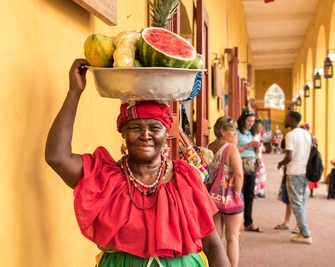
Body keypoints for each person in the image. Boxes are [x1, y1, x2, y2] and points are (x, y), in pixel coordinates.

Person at [44, 59, 231, 267]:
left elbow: (213, 247)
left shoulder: (185, 178)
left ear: (166, 133)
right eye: (135, 128)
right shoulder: (104, 178)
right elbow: (57, 157)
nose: (145, 135)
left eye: (154, 127)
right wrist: (74, 92)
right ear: (123, 132)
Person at [207, 116, 244, 267]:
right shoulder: (230, 149)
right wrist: (237, 193)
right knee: (233, 238)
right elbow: (239, 173)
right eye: (232, 131)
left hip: (212, 197)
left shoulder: (210, 147)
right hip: (229, 197)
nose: (235, 134)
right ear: (223, 131)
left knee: (217, 238)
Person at [277, 111, 312, 244]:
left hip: (294, 172)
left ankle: (305, 234)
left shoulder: (290, 135)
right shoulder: (307, 134)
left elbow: (289, 156)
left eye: (286, 117)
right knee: (301, 203)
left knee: (296, 204)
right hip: (304, 172)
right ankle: (303, 233)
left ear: (291, 120)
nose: (284, 120)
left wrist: (281, 163)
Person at [236, 109, 263, 232]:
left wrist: (257, 148)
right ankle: (235, 224)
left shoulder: (251, 134)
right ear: (243, 120)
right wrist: (248, 145)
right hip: (239, 165)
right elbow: (233, 149)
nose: (250, 123)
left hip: (251, 167)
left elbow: (254, 150)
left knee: (249, 195)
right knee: (238, 194)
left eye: (252, 121)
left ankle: (248, 222)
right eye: (248, 121)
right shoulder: (236, 133)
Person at [274, 139, 299, 234]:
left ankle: (298, 225)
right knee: (288, 202)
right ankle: (286, 222)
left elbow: (288, 160)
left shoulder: (295, 153)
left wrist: (281, 163)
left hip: (294, 177)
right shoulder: (290, 152)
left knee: (297, 203)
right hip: (287, 177)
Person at [300, 123, 319, 197]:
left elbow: (314, 147)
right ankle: (309, 191)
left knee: (309, 174)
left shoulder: (311, 136)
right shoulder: (309, 136)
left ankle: (311, 191)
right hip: (305, 158)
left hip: (308, 158)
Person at [252, 120, 267, 198]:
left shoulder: (259, 136)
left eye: (260, 127)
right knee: (256, 175)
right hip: (255, 158)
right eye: (257, 127)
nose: (259, 128)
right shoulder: (253, 136)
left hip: (260, 157)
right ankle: (254, 191)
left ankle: (260, 191)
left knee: (262, 174)